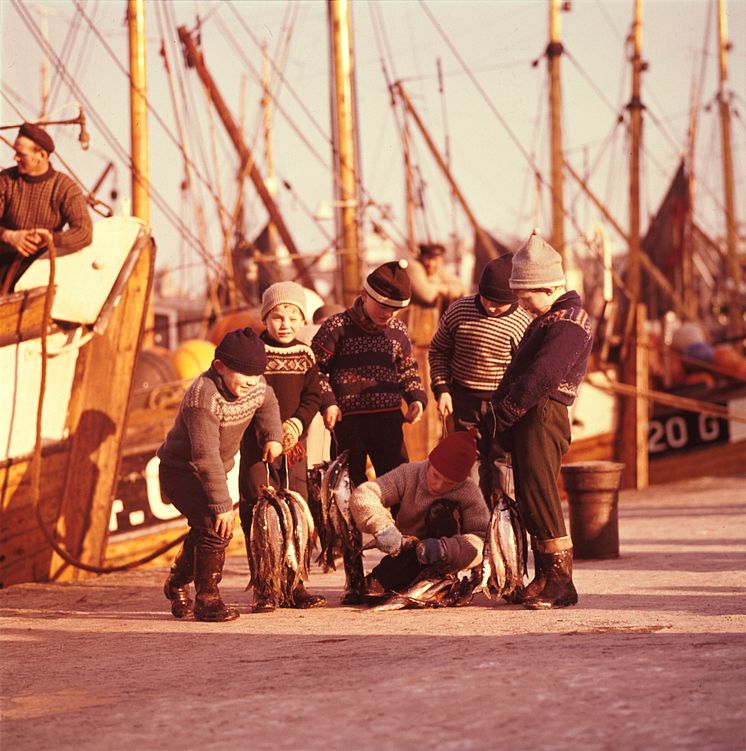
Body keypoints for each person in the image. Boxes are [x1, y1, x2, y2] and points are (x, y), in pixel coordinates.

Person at [486, 228, 593, 610]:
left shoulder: (566, 322)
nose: (521, 302)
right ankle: (546, 576)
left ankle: (561, 583)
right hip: (535, 413)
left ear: (546, 286)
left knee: (540, 493)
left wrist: (508, 411)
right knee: (531, 494)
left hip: (542, 413)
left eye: (524, 294)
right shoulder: (554, 317)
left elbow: (543, 375)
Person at [158, 327, 283, 622]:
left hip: (209, 471)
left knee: (206, 529)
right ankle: (207, 600)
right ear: (220, 367)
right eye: (243, 376)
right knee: (216, 528)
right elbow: (205, 457)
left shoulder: (255, 386)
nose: (251, 383)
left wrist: (273, 435)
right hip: (181, 471)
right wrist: (221, 505)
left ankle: (176, 582)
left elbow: (269, 400)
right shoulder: (202, 398)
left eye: (256, 377)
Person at [238, 281, 325, 613]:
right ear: (265, 319)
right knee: (258, 511)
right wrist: (268, 432)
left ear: (302, 320)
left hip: (294, 448)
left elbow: (313, 396)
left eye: (292, 317)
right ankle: (264, 586)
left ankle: (294, 584)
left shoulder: (306, 355)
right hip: (257, 446)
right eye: (277, 317)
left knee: (297, 511)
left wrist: (297, 424)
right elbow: (245, 395)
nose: (284, 324)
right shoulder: (254, 353)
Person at [311, 259, 428, 490]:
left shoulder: (398, 330)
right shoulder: (336, 327)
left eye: (395, 309)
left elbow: (407, 369)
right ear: (364, 295)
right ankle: (352, 527)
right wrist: (328, 404)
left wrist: (416, 399)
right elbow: (316, 370)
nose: (388, 314)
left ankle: (400, 525)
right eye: (383, 307)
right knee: (347, 481)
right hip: (347, 421)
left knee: (397, 479)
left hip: (389, 419)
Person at [428, 254, 533, 508]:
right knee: (467, 462)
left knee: (501, 461)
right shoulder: (458, 311)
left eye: (500, 303)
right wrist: (442, 389)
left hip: (503, 403)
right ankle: (471, 516)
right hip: (464, 399)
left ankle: (503, 520)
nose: (493, 307)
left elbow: (527, 368)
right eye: (488, 299)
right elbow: (438, 350)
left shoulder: (521, 322)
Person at [348, 429, 489, 601]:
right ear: (430, 463)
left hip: (446, 557)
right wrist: (382, 526)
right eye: (436, 476)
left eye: (449, 483)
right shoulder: (409, 473)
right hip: (408, 552)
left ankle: (442, 580)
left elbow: (482, 541)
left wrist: (446, 548)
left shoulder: (469, 491)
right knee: (370, 591)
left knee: (442, 509)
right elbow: (364, 494)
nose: (438, 486)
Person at [0, 122, 93, 293]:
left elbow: (84, 232)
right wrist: (8, 235)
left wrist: (50, 239)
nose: (15, 158)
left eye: (21, 154)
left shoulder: (65, 188)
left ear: (42, 155)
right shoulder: (5, 180)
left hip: (39, 272)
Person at [407, 242, 464, 310]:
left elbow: (461, 287)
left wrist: (440, 288)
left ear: (441, 260)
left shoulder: (438, 269)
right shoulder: (414, 266)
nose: (431, 264)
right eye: (428, 259)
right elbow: (427, 295)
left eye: (435, 260)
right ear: (421, 257)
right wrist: (444, 289)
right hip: (409, 316)